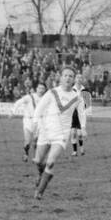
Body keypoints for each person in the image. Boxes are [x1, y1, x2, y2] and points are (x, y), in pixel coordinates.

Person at [31, 67, 85, 199]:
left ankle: (39, 192)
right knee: (38, 160)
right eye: (65, 75)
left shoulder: (77, 98)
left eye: (71, 76)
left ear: (73, 80)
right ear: (61, 78)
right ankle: (42, 173)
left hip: (61, 135)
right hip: (46, 131)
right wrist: (35, 123)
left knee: (50, 162)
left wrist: (83, 128)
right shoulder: (52, 93)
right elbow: (39, 109)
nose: (68, 78)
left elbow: (82, 115)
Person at [11, 82, 44, 162]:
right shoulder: (29, 97)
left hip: (39, 122)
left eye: (43, 88)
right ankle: (26, 154)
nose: (41, 90)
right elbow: (18, 102)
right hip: (28, 121)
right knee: (27, 140)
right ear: (36, 89)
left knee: (36, 140)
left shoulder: (45, 99)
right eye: (39, 88)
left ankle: (36, 157)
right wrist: (12, 112)